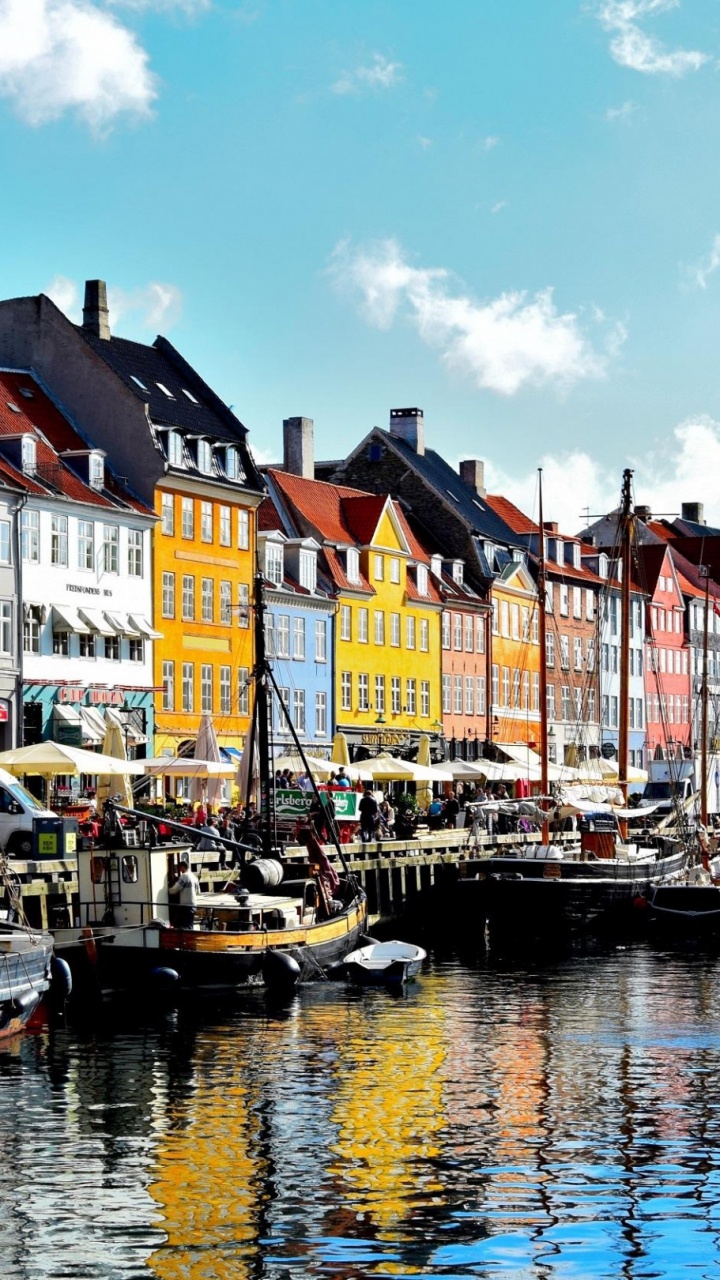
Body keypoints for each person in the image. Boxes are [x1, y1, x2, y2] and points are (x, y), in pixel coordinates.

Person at [168, 859, 200, 929]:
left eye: (179, 868)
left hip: (186, 906)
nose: (179, 870)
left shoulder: (184, 876)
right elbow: (198, 892)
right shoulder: (194, 877)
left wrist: (167, 891)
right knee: (190, 924)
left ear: (182, 867)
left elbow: (175, 889)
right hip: (193, 905)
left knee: (185, 925)